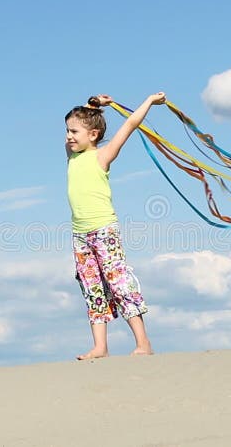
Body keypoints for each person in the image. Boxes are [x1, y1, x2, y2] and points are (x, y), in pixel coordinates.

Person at [65, 92, 166, 360]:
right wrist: (93, 105)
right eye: (67, 131)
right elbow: (83, 120)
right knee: (92, 287)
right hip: (80, 235)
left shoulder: (103, 156)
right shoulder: (72, 156)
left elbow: (130, 125)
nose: (69, 136)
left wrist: (148, 101)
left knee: (118, 281)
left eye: (74, 132)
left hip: (104, 231)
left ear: (94, 135)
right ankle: (100, 346)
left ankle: (143, 342)